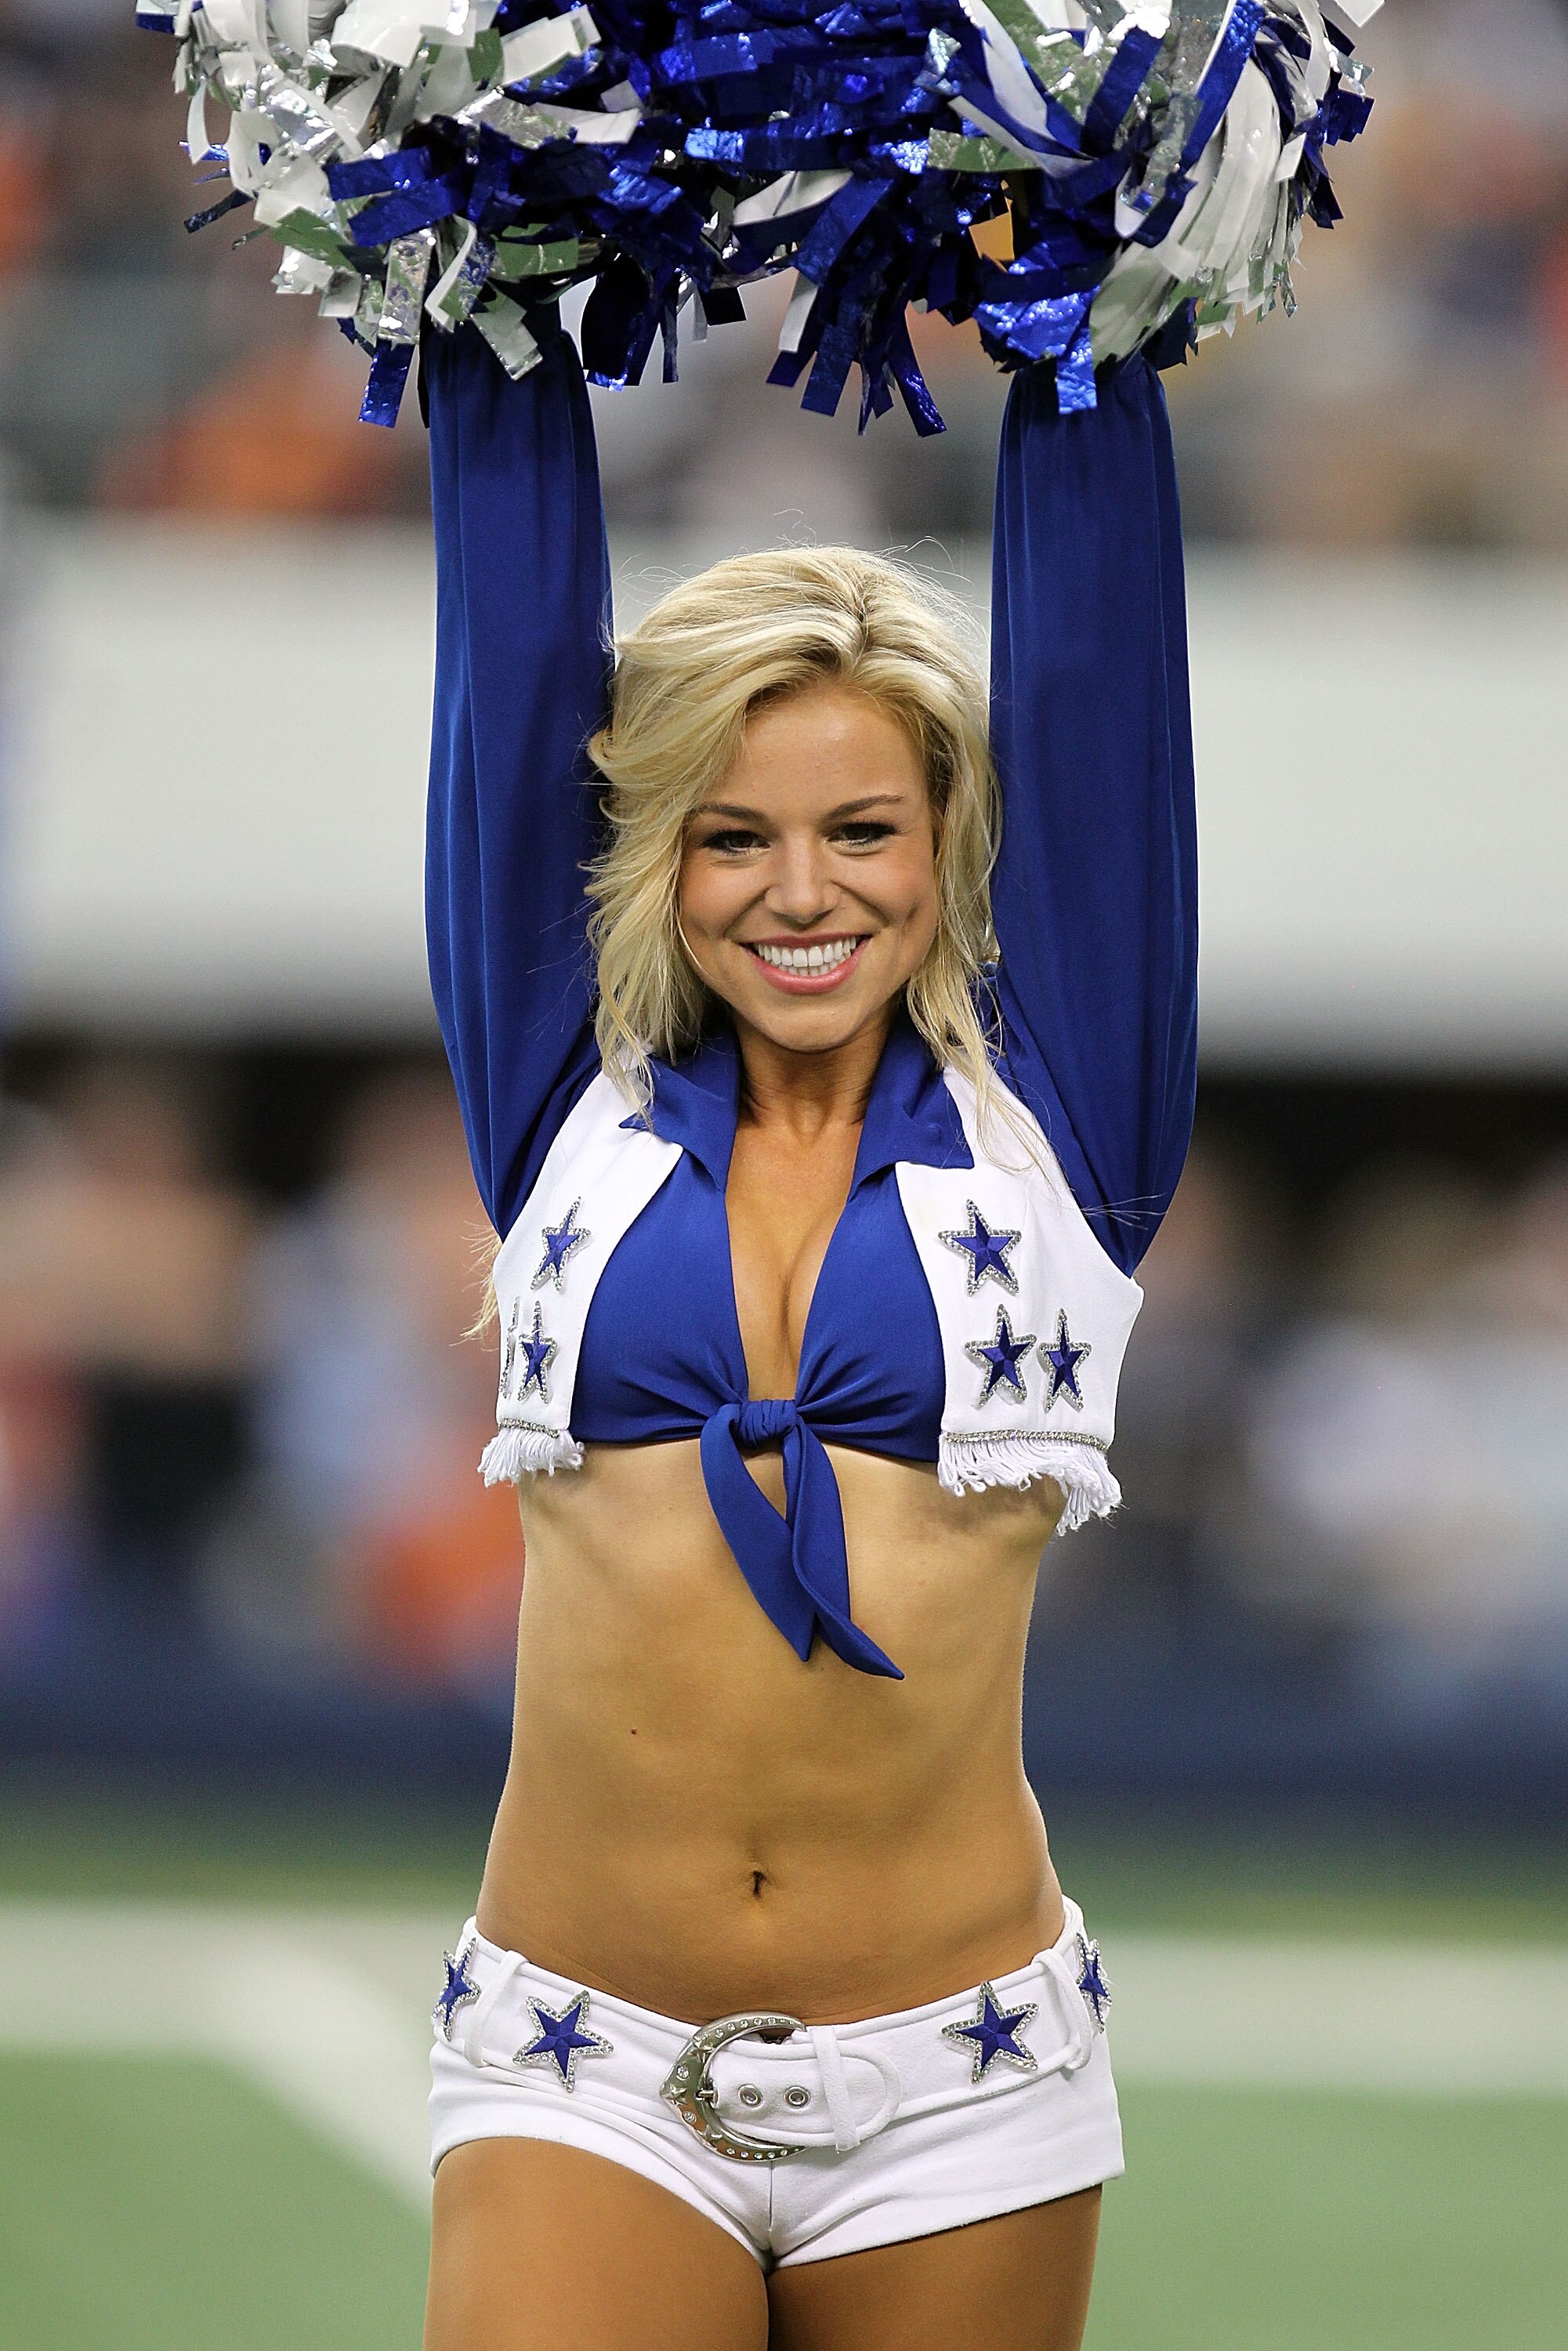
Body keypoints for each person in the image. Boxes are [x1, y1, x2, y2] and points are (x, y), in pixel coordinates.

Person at [419, 308, 1195, 2351]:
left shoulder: (1066, 1136)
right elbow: (507, 672)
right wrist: (482, 280)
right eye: (729, 833)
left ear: (945, 842)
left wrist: (1083, 307)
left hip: (961, 2088)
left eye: (862, 831)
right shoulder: (555, 1097)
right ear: (653, 851)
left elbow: (1107, 691)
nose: (799, 894)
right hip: (581, 2062)